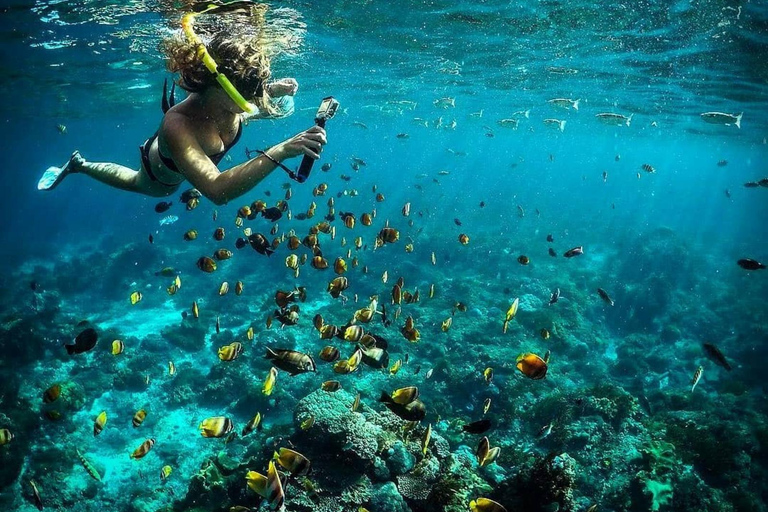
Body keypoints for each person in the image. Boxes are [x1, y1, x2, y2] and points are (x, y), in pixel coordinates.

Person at [38, 6, 326, 205]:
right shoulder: (178, 124)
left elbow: (248, 111)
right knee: (135, 182)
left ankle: (80, 165)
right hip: (160, 175)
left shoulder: (229, 103)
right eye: (249, 93)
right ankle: (80, 165)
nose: (255, 99)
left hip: (203, 132)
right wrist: (283, 150)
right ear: (220, 88)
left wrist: (272, 89)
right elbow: (217, 190)